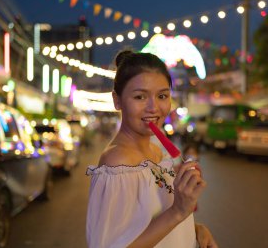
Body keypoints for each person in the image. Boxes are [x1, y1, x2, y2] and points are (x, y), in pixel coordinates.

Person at [86, 50, 218, 248]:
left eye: (162, 96)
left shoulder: (157, 150)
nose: (153, 107)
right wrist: (179, 211)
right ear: (117, 100)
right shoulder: (118, 162)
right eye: (140, 97)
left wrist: (195, 228)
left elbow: (149, 222)